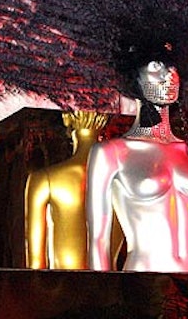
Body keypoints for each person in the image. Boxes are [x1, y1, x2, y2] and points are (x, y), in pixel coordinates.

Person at [86, 61, 188, 273]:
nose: (169, 75)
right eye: (156, 66)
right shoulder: (111, 154)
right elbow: (99, 241)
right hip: (145, 285)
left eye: (174, 67)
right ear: (134, 77)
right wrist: (105, 299)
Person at [25, 110, 108, 269]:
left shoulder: (44, 179)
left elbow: (35, 264)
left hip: (64, 287)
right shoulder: (121, 183)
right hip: (112, 288)